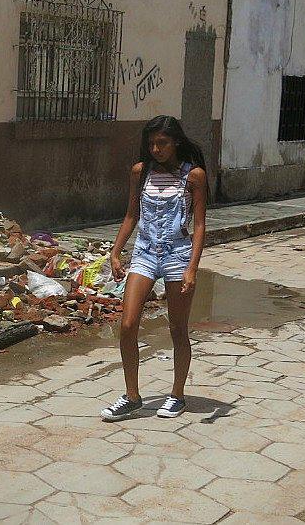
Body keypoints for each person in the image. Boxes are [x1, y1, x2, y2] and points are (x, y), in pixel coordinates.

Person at [100, 115, 208, 421]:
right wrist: (116, 250)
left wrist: (192, 268)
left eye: (161, 143)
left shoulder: (194, 176)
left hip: (178, 255)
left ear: (176, 142)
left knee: (177, 328)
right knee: (127, 324)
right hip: (145, 253)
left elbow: (199, 225)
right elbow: (131, 214)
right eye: (151, 144)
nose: (156, 149)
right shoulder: (141, 171)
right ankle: (132, 397)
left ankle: (177, 395)